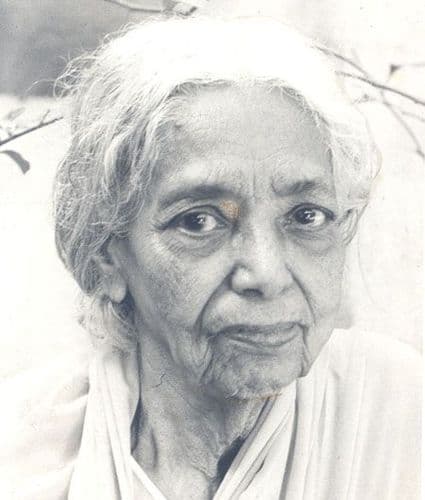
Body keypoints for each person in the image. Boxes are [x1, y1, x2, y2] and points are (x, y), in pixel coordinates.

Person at [1, 16, 421, 500]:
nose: (266, 274)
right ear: (105, 255)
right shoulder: (23, 455)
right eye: (199, 221)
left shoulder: (399, 414)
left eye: (306, 216)